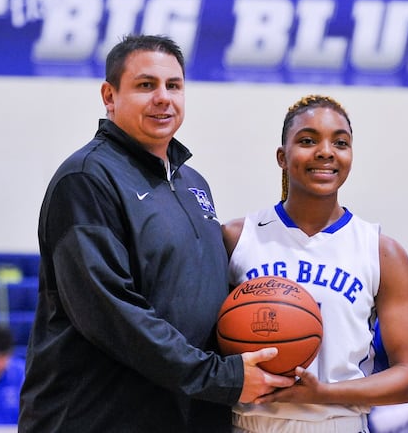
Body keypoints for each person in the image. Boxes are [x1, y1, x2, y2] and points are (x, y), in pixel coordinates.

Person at [19, 34, 294, 432]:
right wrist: (221, 377)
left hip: (187, 415)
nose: (163, 97)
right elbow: (113, 314)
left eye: (174, 85)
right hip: (96, 418)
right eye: (146, 85)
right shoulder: (86, 179)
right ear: (109, 96)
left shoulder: (193, 183)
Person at [221, 94, 408, 432]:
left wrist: (321, 394)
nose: (326, 151)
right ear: (282, 157)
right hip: (249, 424)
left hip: (337, 423)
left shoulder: (380, 251)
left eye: (340, 142)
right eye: (307, 140)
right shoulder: (236, 239)